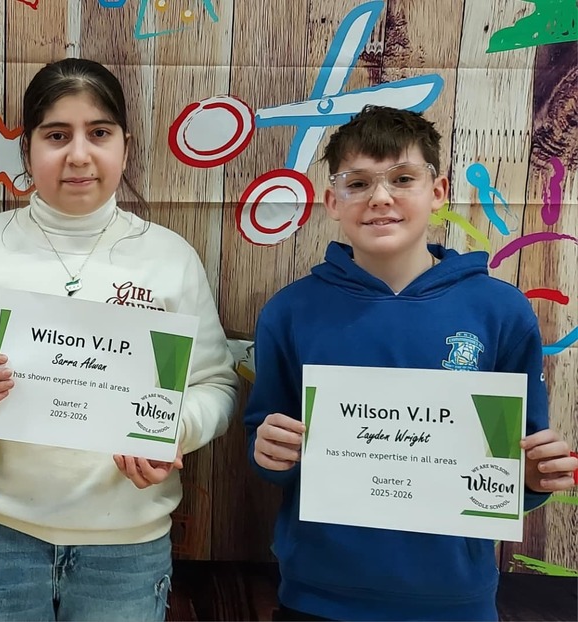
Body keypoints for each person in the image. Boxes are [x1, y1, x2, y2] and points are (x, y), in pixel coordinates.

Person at [0, 58, 237, 621]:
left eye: (98, 133)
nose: (79, 154)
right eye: (57, 135)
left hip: (127, 544)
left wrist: (173, 429)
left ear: (125, 146)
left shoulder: (170, 258)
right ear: (27, 149)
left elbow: (213, 385)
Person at [244, 105, 578, 621]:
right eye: (358, 183)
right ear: (332, 200)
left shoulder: (501, 312)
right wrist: (269, 450)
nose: (381, 197)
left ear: (438, 192)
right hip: (316, 596)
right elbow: (261, 438)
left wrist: (534, 478)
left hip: (455, 601)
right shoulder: (290, 311)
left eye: (403, 178)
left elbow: (521, 457)